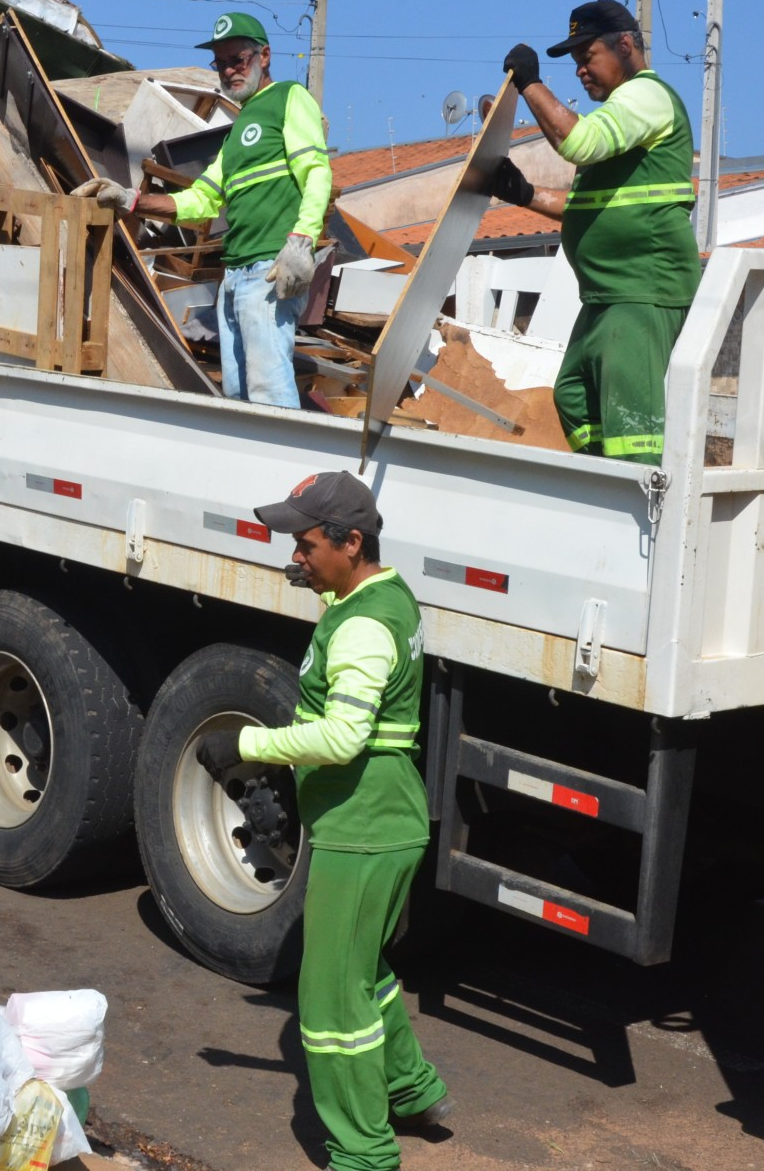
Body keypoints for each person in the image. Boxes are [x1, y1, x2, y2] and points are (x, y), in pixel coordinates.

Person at [193, 471, 450, 1171]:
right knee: (362, 968)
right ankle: (411, 1087)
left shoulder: (365, 622)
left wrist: (248, 745)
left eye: (306, 544)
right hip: (374, 817)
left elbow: (342, 738)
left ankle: (364, 1153)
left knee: (332, 1001)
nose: (296, 556)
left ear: (351, 541)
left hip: (365, 826)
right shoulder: (372, 597)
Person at [73, 11, 332, 409]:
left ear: (264, 56)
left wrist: (301, 241)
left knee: (269, 393)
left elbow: (316, 171)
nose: (228, 71)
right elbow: (199, 200)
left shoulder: (289, 98)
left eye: (238, 59)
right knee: (238, 397)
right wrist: (132, 200)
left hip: (270, 268)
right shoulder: (236, 136)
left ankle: (289, 471)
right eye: (221, 63)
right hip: (235, 276)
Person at [487, 0, 700, 467]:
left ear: (625, 45)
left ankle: (637, 505)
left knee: (631, 429)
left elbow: (577, 142)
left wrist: (529, 82)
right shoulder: (629, 116)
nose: (581, 71)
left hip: (643, 288)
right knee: (573, 396)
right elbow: (588, 207)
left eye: (588, 57)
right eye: (577, 62)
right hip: (608, 295)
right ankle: (608, 480)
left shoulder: (645, 97)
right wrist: (523, 193)